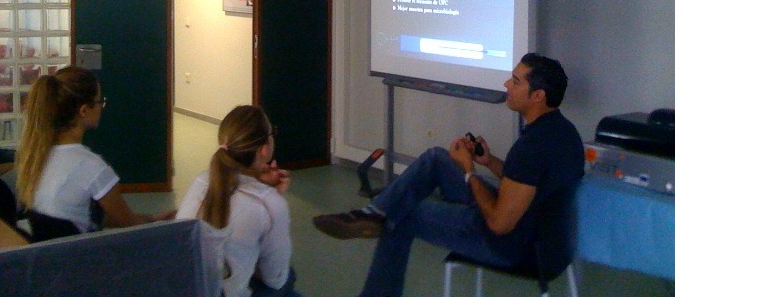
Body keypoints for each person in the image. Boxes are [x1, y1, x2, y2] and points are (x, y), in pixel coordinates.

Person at [312, 53, 584, 297]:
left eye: (515, 82)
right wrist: (488, 162)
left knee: (404, 214)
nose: (506, 85)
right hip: (551, 242)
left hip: (512, 246)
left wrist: (469, 171)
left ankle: (377, 267)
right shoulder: (563, 133)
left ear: (538, 96)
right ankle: (373, 212)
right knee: (436, 158)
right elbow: (527, 184)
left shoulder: (532, 147)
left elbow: (500, 224)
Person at [15, 66, 175, 233]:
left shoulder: (35, 156)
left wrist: (153, 218)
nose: (101, 107)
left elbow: (82, 215)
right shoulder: (91, 166)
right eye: (100, 102)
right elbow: (130, 222)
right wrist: (157, 220)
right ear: (84, 110)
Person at [176, 105, 299, 297]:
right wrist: (272, 198)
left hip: (187, 288)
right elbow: (274, 278)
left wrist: (263, 189)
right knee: (289, 276)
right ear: (264, 150)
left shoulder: (202, 180)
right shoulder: (270, 204)